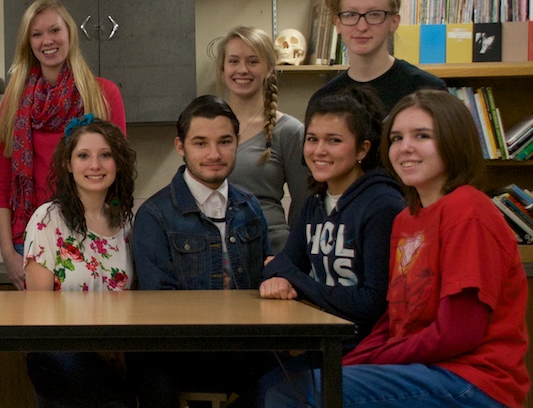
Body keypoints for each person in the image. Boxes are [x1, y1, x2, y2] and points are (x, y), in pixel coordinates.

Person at [264, 90, 530, 407]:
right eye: (397, 137)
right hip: (423, 368)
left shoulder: (468, 212)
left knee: (293, 393)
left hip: (471, 379)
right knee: (280, 381)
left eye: (422, 136)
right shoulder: (408, 218)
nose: (405, 148)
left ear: (454, 141)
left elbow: (457, 333)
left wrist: (374, 357)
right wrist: (356, 358)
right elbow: (393, 318)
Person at [130, 95, 273, 407]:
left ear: (238, 142)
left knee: (295, 382)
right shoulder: (154, 215)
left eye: (224, 141)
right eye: (200, 143)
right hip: (179, 353)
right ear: (181, 147)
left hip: (244, 348)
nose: (214, 154)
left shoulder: (250, 206)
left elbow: (266, 279)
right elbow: (160, 304)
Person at [0, 0, 127, 290]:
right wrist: (7, 253)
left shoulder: (103, 94)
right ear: (27, 42)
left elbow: (120, 174)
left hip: (91, 234)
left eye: (54, 30)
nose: (47, 41)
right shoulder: (14, 100)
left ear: (70, 34)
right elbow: (1, 187)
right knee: (41, 329)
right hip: (26, 240)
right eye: (37, 34)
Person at [259, 86, 405, 349]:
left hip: (366, 349)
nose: (319, 150)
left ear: (362, 150)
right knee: (260, 376)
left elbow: (372, 303)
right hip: (322, 341)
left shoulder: (383, 205)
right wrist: (283, 275)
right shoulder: (314, 203)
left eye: (334, 140)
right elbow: (278, 265)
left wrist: (298, 280)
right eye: (312, 139)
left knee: (275, 388)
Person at [23, 116, 137, 408]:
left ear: (118, 163)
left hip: (115, 350)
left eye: (105, 155)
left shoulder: (125, 221)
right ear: (68, 164)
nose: (95, 165)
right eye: (83, 156)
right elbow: (38, 313)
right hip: (60, 352)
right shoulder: (47, 219)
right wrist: (97, 348)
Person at [211, 26, 310, 253]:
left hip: (270, 252)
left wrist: (290, 260)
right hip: (215, 252)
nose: (242, 70)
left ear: (269, 69)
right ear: (222, 69)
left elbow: (304, 205)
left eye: (253, 61)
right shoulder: (206, 128)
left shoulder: (290, 132)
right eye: (234, 61)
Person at [309, 0, 446, 114]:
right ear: (338, 23)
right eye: (351, 14)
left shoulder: (427, 89)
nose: (362, 26)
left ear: (394, 22)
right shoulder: (323, 99)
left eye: (374, 14)